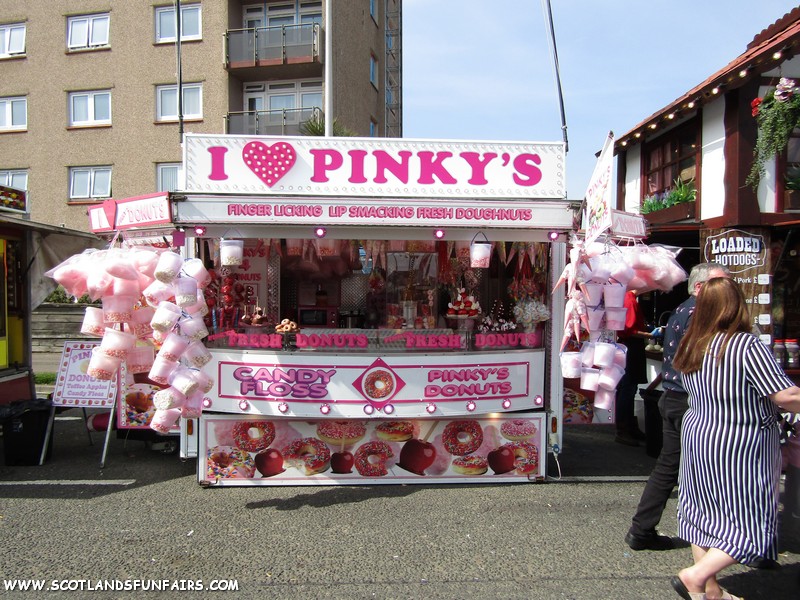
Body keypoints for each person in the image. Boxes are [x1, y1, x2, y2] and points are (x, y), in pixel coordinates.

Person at [669, 277, 800, 600]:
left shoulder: (692, 342)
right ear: (737, 305)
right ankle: (696, 576)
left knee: (701, 513)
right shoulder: (745, 346)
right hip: (740, 441)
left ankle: (710, 591)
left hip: (699, 433)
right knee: (750, 518)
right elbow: (785, 396)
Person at [626, 263, 731, 551]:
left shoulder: (682, 310)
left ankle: (642, 529)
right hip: (691, 398)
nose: (727, 289)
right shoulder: (699, 314)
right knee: (708, 467)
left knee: (669, 466)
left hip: (674, 396)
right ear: (699, 287)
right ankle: (720, 534)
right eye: (720, 283)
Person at [614, 289, 648, 446]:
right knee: (627, 389)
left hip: (627, 347)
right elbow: (629, 330)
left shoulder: (627, 297)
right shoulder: (630, 299)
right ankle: (623, 429)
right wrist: (651, 334)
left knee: (627, 388)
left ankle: (629, 426)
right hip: (630, 347)